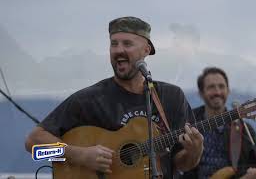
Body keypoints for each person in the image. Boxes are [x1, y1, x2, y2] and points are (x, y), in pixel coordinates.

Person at [25, 16, 203, 179]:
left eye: (127, 44)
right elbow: (34, 147)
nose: (119, 50)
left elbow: (181, 163)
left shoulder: (171, 97)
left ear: (146, 50)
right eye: (114, 44)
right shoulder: (89, 99)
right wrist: (79, 154)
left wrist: (194, 152)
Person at [182, 67, 256, 179]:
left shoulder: (245, 130)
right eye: (211, 87)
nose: (217, 92)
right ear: (201, 93)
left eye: (221, 86)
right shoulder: (187, 123)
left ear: (228, 90)